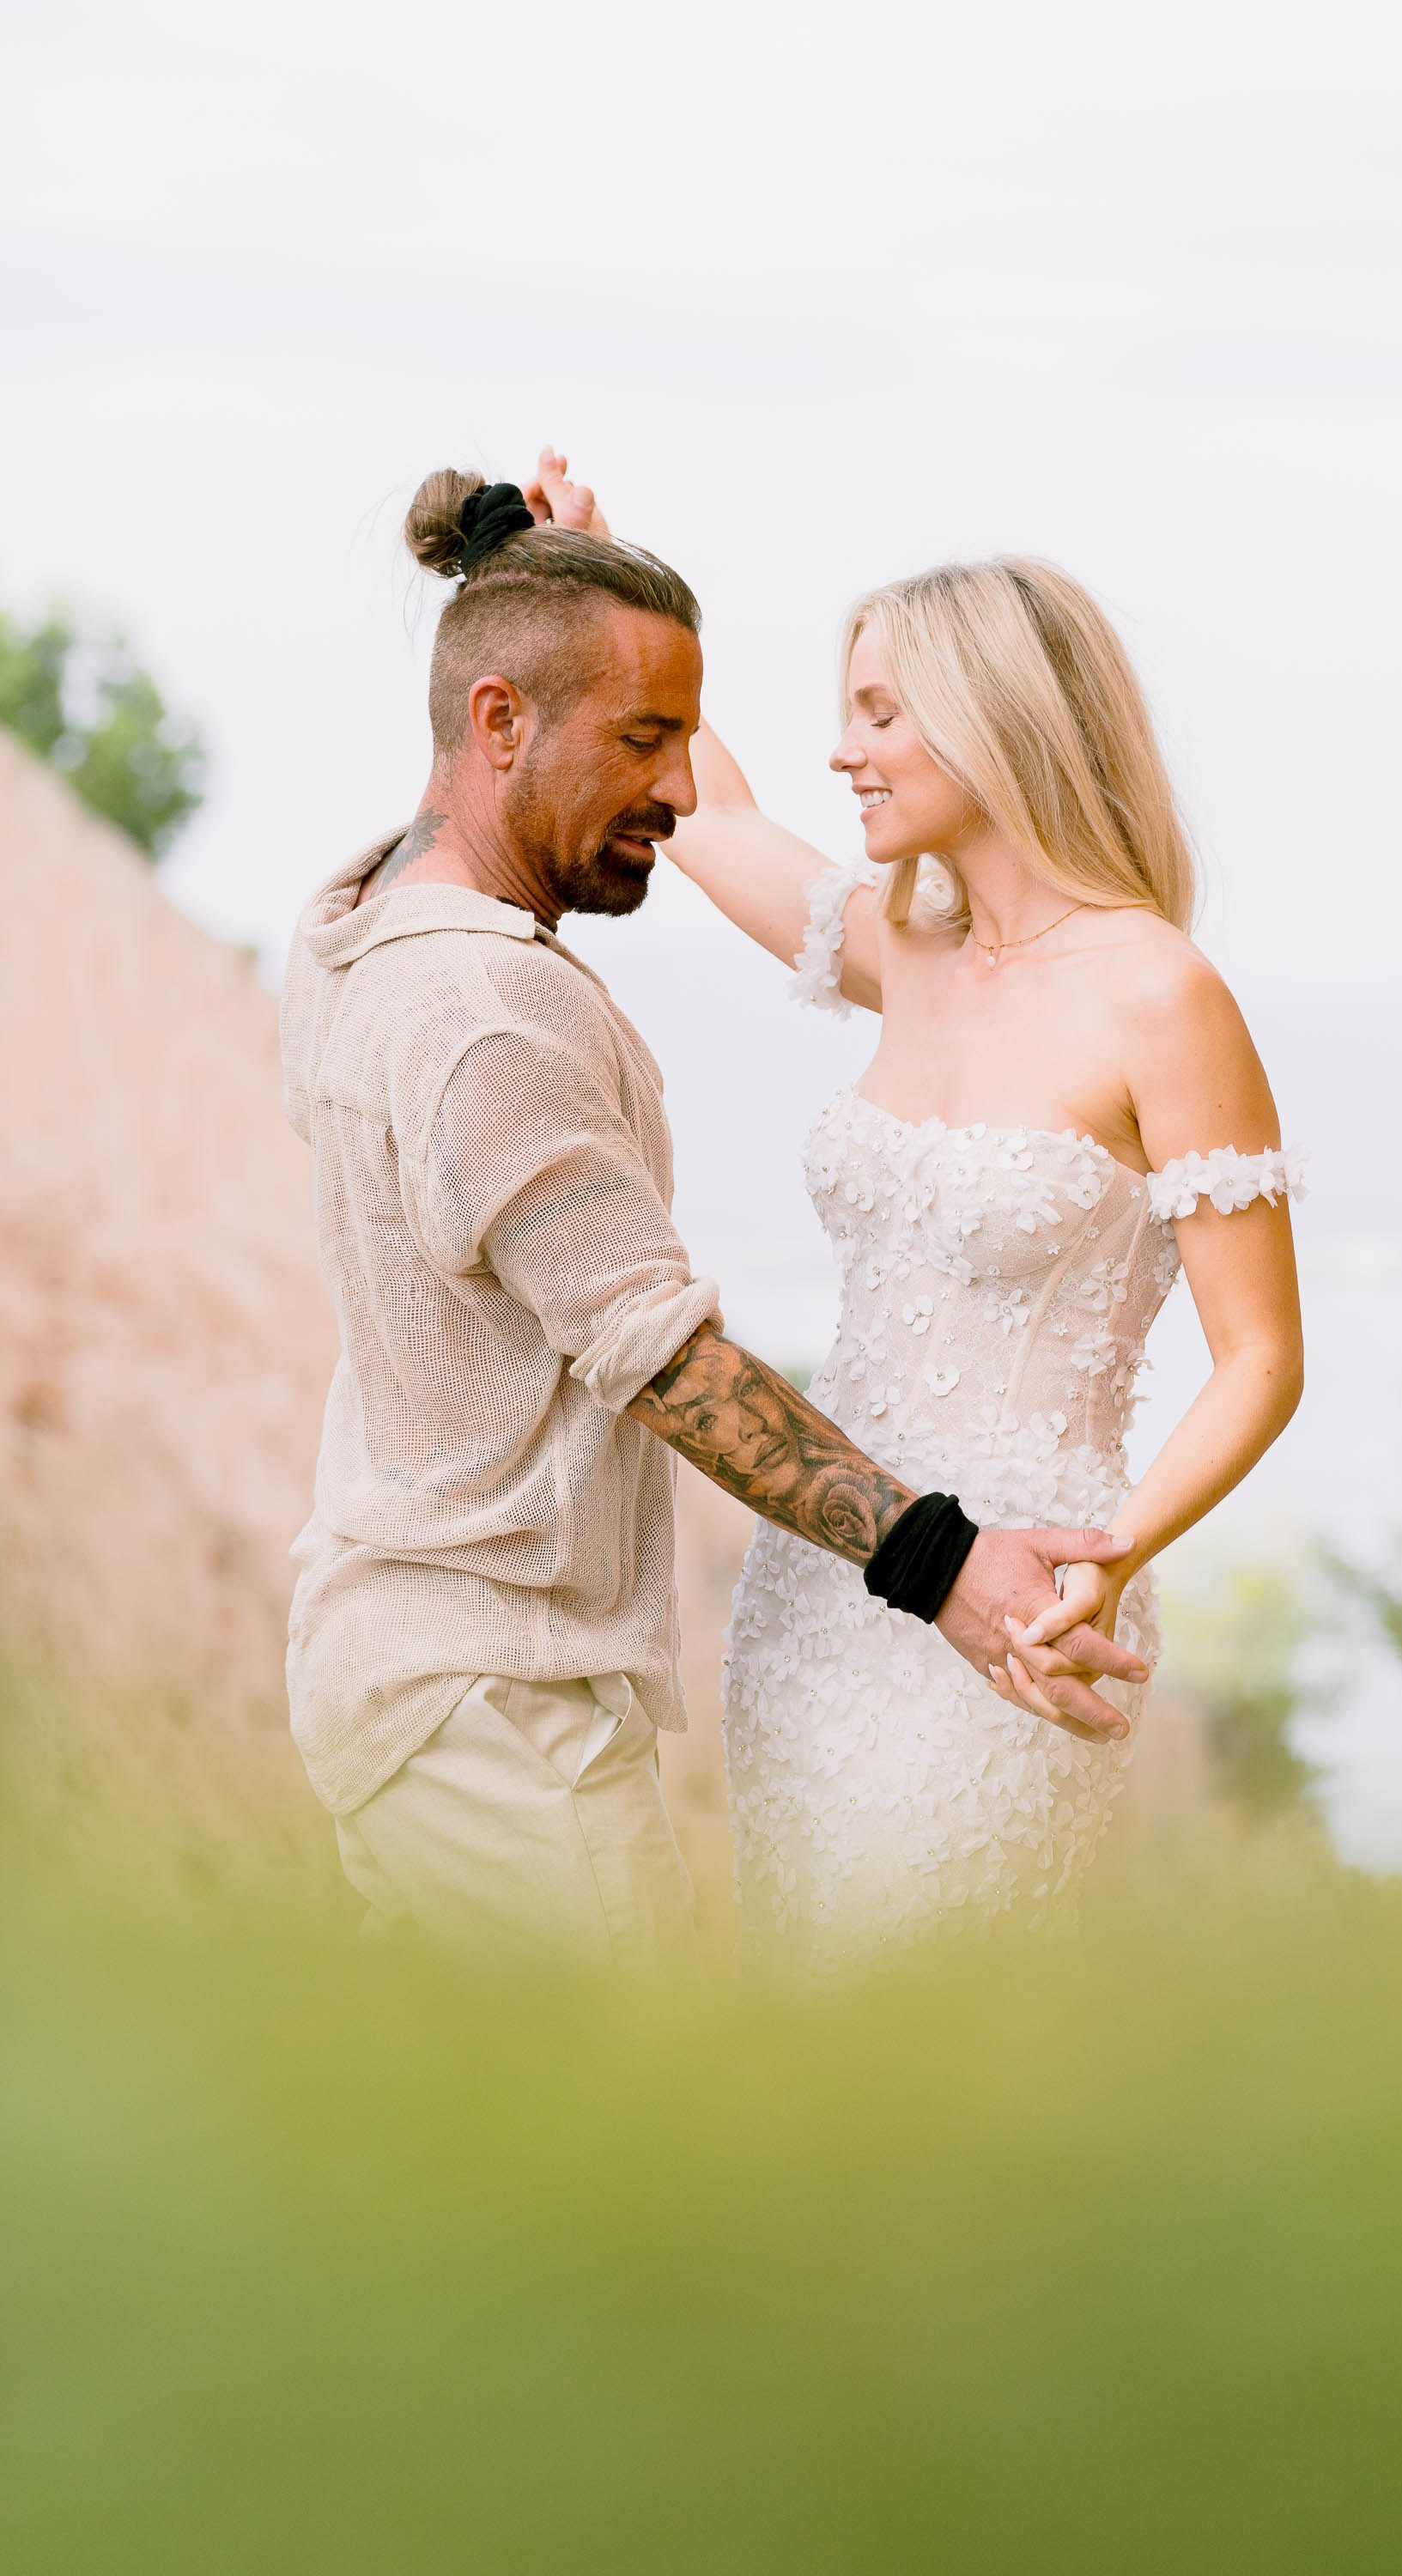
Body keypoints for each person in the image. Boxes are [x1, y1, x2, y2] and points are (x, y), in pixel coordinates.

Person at [279, 470, 1145, 1963]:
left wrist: (546, 574)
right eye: (641, 738)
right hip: (501, 1691)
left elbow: (686, 800)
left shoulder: (351, 919)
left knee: (443, 2130)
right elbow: (668, 1365)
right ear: (498, 724)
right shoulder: (494, 1014)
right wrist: (947, 1570)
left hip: (395, 1657)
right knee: (605, 2146)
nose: (679, 789)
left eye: (681, 737)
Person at [522, 451, 1307, 1966]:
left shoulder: (1162, 996)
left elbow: (1262, 1359)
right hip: (825, 1588)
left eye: (878, 715)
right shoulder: (905, 944)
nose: (845, 754)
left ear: (994, 720)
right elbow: (700, 807)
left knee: (934, 2018)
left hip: (1028, 1605)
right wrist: (596, 592)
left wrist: (1108, 1565)